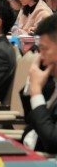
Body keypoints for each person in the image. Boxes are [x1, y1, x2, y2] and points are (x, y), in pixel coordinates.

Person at [20, 14, 57, 153]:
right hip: (28, 149)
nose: (40, 56)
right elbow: (30, 119)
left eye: (44, 49)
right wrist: (32, 84)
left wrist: (36, 92)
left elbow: (53, 142)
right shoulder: (50, 81)